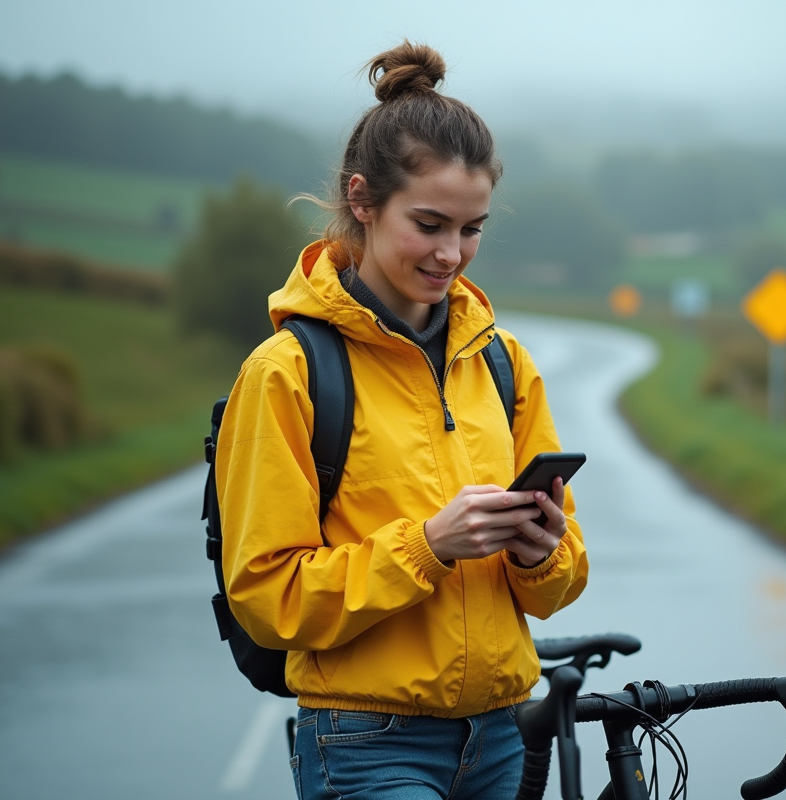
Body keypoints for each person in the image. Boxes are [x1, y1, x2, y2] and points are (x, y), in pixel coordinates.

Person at [214, 41, 589, 800]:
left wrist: (538, 554)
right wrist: (427, 547)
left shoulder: (503, 362)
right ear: (362, 199)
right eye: (429, 224)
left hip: (500, 736)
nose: (453, 254)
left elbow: (560, 584)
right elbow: (267, 594)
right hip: (364, 743)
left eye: (472, 228)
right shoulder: (286, 372)